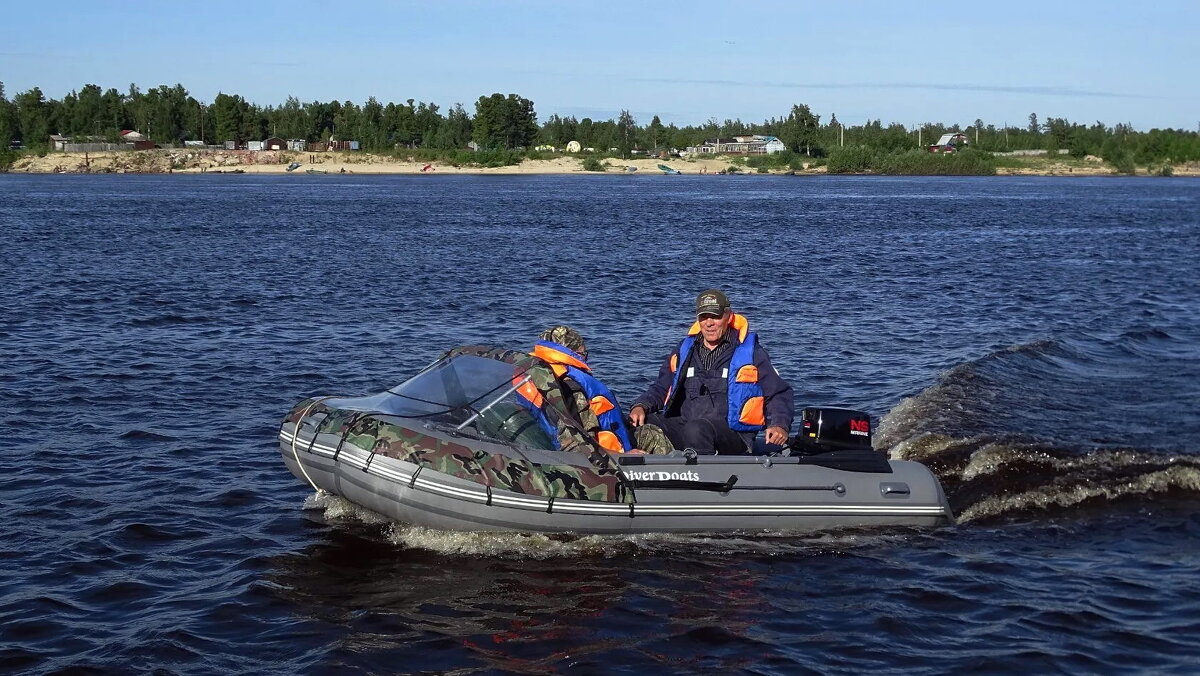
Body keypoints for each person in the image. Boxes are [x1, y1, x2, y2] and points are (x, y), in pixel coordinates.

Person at [629, 290, 793, 454]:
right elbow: (662, 387)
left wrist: (779, 424)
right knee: (638, 423)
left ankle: (698, 477)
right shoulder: (684, 350)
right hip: (687, 424)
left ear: (728, 316)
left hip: (734, 433)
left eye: (715, 316)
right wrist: (641, 405)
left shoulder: (751, 353)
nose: (709, 323)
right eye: (703, 317)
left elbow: (778, 393)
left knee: (697, 429)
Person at [521, 326, 673, 455]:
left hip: (547, 447)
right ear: (572, 354)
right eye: (583, 354)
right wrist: (624, 456)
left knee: (647, 427)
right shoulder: (570, 388)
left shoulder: (533, 376)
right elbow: (578, 446)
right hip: (606, 461)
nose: (585, 359)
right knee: (653, 435)